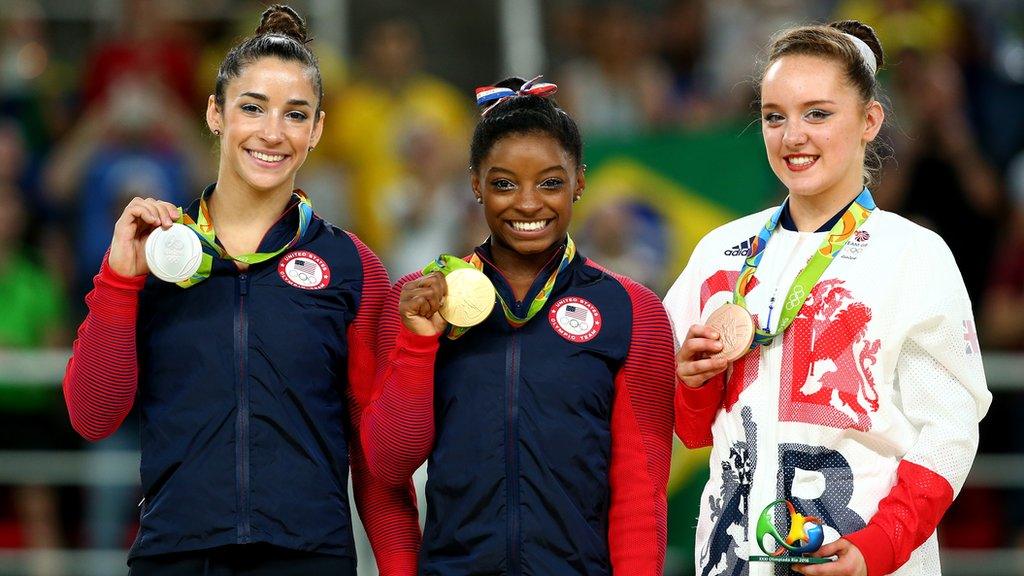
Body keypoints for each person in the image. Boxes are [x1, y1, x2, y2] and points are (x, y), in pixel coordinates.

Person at [61, 5, 419, 575]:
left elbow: (376, 463)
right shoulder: (155, 252)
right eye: (252, 108)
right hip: (177, 556)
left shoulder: (351, 266)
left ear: (317, 129)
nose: (272, 133)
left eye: (295, 114)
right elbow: (94, 416)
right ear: (215, 114)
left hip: (309, 558)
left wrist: (403, 569)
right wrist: (118, 280)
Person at [664, 20, 991, 576]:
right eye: (775, 116)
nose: (793, 136)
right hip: (734, 560)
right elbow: (692, 432)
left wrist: (878, 548)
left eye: (818, 113)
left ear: (870, 120)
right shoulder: (721, 251)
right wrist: (693, 383)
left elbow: (950, 432)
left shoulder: (915, 254)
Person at [360, 76, 676, 574]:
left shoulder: (632, 310)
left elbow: (642, 493)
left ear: (580, 182)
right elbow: (387, 468)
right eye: (504, 183)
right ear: (475, 185)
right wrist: (417, 346)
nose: (528, 204)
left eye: (550, 182)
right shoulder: (418, 299)